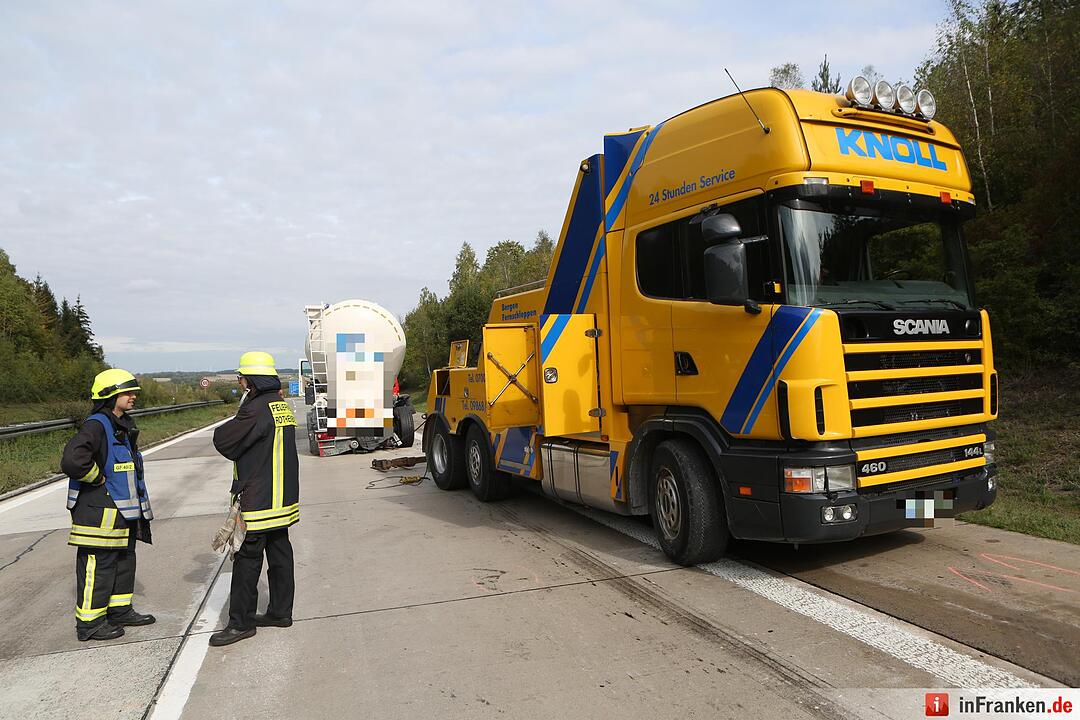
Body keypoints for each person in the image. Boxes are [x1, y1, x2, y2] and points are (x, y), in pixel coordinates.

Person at [210, 351, 300, 646]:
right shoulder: (280, 406)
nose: (240, 382)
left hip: (259, 500)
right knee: (280, 555)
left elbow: (224, 440)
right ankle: (280, 612)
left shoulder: (256, 409)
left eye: (242, 377)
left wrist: (243, 409)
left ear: (251, 380)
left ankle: (241, 623)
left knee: (246, 561)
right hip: (283, 500)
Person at [60, 368, 155, 641]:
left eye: (133, 392)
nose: (133, 396)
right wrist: (97, 478)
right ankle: (89, 624)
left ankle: (119, 611)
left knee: (124, 561)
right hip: (98, 514)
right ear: (109, 395)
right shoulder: (96, 425)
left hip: (121, 513)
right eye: (127, 392)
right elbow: (72, 461)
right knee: (98, 566)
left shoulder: (120, 424)